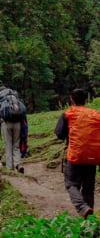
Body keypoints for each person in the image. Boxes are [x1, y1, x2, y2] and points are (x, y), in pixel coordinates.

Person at [55, 89, 97, 219]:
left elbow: (59, 134)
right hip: (92, 157)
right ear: (86, 100)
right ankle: (89, 220)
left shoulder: (68, 114)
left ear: (72, 100)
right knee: (88, 188)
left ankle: (82, 207)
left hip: (75, 156)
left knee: (71, 184)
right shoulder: (95, 114)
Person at [0, 86, 25, 173]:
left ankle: (9, 167)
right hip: (18, 123)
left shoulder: (0, 99)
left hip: (6, 123)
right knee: (16, 145)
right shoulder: (14, 96)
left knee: (8, 144)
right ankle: (18, 164)